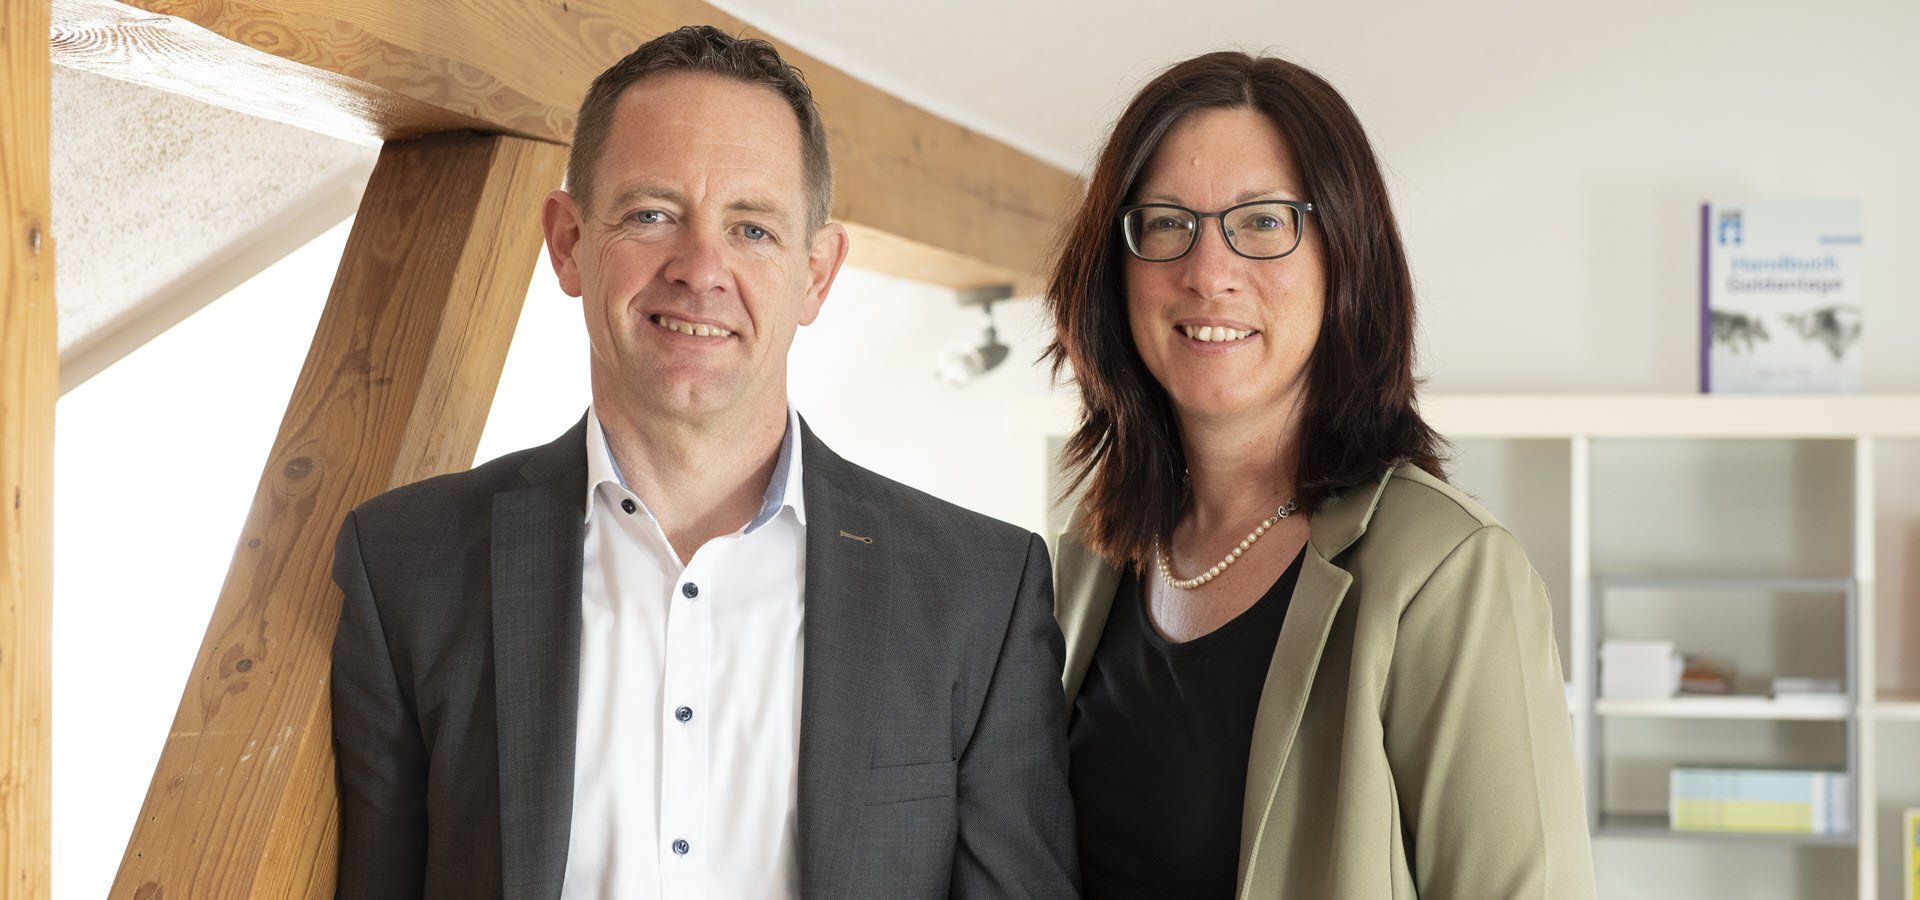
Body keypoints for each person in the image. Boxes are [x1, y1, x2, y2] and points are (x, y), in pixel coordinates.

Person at [329, 26, 1076, 898]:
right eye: (652, 215)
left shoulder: (979, 591)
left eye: (753, 229)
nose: (701, 269)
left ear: (817, 274)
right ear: (569, 241)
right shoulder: (406, 563)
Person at [1045, 51, 1596, 898]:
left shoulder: (1449, 574)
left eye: (1263, 222)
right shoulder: (1091, 553)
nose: (1208, 270)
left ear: (1348, 256)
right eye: (1165, 223)